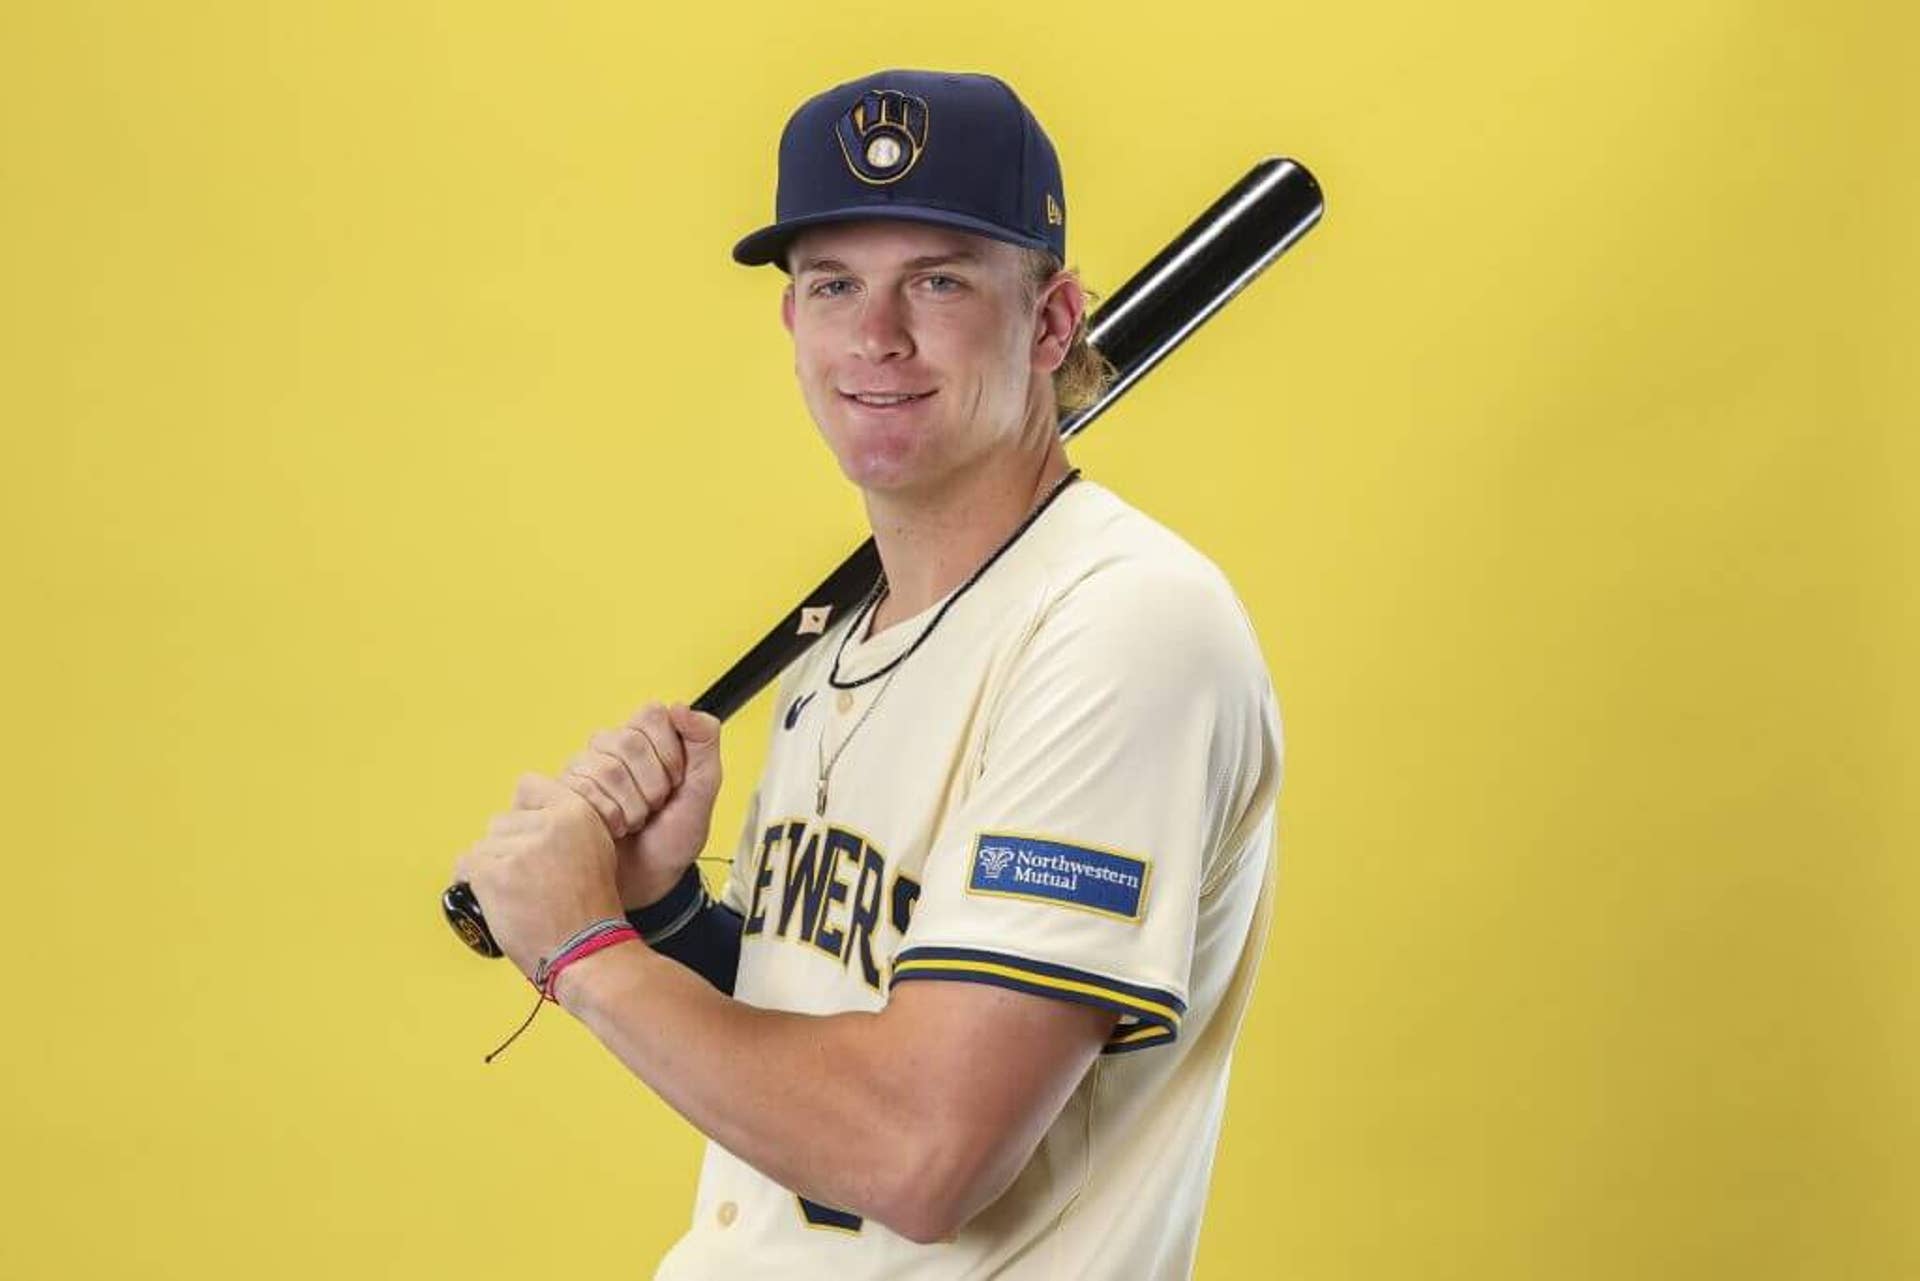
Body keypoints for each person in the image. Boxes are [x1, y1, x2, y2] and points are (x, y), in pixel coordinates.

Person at [453, 68, 1284, 1279]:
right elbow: (851, 1022)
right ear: (793, 325)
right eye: (834, 284)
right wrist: (668, 918)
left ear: (1053, 325)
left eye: (937, 281)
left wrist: (587, 952)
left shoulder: (1123, 628)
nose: (875, 336)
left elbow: (919, 1149)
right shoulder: (838, 643)